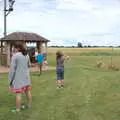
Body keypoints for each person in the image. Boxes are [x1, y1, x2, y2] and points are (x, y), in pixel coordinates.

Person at [8, 43, 32, 113]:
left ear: (18, 48)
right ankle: (29, 105)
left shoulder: (15, 56)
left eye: (14, 48)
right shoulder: (26, 55)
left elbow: (12, 70)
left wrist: (10, 81)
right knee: (28, 92)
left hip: (18, 79)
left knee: (18, 93)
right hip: (26, 78)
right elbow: (29, 65)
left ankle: (17, 109)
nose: (13, 49)